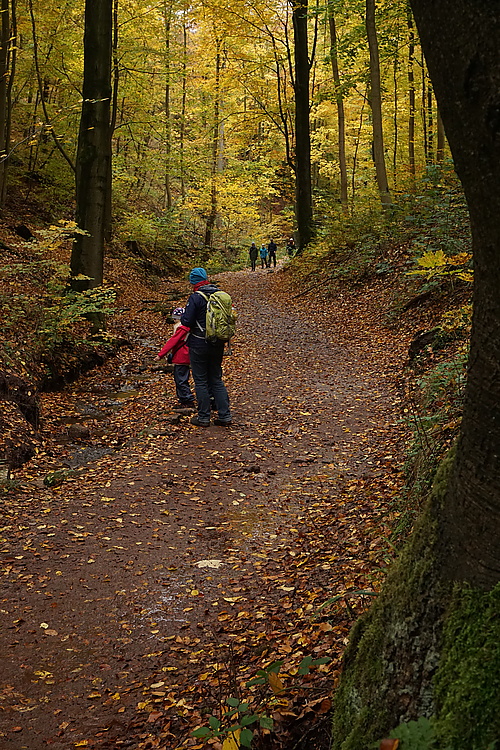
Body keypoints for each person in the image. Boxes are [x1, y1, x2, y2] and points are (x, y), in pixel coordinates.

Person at [181, 268, 232, 427]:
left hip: (198, 343)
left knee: (201, 381)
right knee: (216, 379)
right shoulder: (219, 295)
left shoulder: (196, 297)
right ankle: (225, 416)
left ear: (193, 282)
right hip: (217, 343)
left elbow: (186, 322)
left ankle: (203, 417)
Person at [156, 308, 195, 411]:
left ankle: (187, 400)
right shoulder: (190, 326)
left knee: (180, 379)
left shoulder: (181, 328)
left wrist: (160, 355)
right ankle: (185, 399)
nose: (174, 320)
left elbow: (172, 342)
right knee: (182, 378)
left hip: (181, 356)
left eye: (175, 318)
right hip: (187, 355)